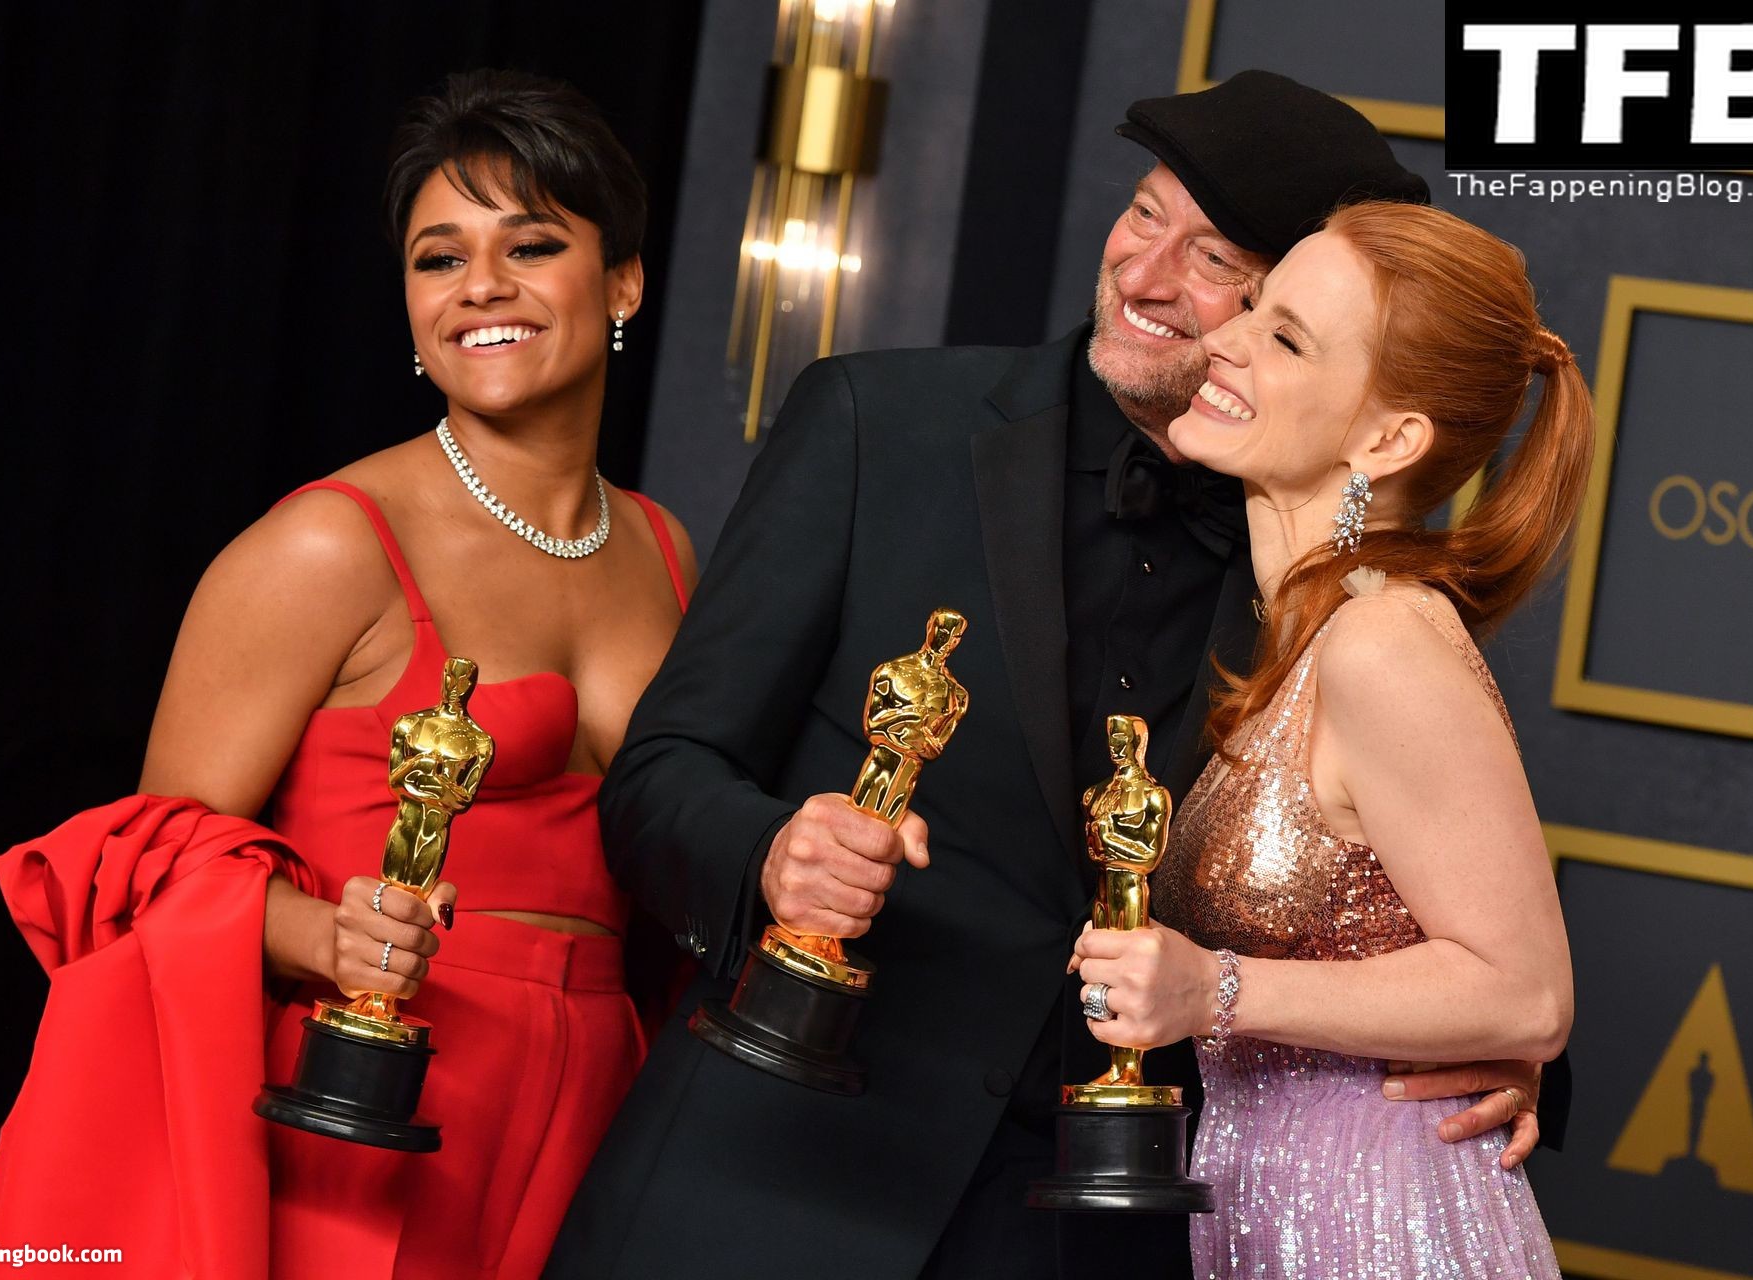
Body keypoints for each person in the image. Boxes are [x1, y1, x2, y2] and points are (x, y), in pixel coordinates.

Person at [550, 72, 1566, 1280]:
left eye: (1219, 263)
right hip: (768, 1179)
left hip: (1096, 1233)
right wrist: (771, 854)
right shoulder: (876, 422)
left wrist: (1498, 1062)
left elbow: (1461, 926)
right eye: (1143, 214)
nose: (1146, 277)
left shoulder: (1337, 593)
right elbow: (660, 774)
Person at [0, 69, 694, 1280]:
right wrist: (327, 936)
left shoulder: (666, 551)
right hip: (365, 1101)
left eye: (531, 245)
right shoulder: (330, 542)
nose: (481, 287)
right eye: (439, 258)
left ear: (622, 282)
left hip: (589, 1120)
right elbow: (140, 859)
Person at [1073, 198, 1588, 1276]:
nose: (1225, 339)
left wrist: (1214, 987)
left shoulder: (1381, 641)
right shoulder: (1309, 632)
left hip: (1381, 1223)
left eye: (1287, 338)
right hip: (1274, 1212)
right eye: (1254, 308)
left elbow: (1529, 994)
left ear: (1390, 440)